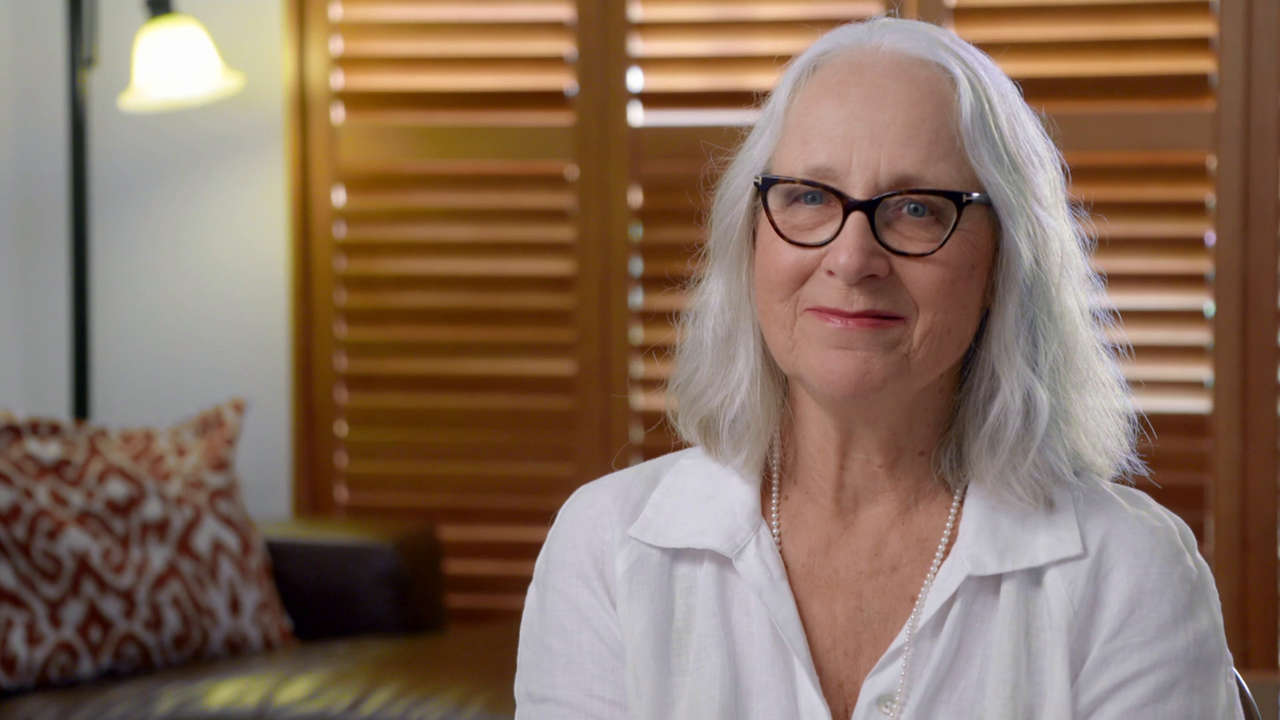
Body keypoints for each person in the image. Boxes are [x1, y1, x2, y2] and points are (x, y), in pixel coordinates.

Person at [514, 16, 1242, 720]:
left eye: (917, 209)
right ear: (751, 240)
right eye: (807, 197)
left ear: (1005, 263)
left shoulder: (1129, 572)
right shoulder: (608, 548)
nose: (853, 258)